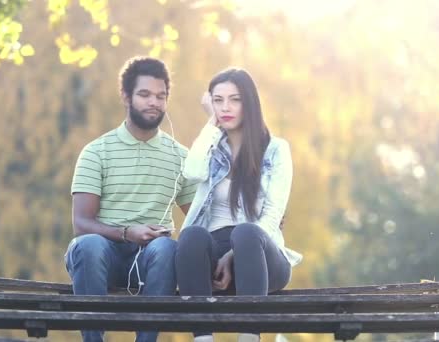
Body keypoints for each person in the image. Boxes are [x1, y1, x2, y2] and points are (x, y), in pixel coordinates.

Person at [64, 56, 198, 342]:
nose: (154, 102)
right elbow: (81, 223)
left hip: (153, 260)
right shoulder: (96, 152)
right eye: (145, 94)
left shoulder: (181, 157)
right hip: (102, 258)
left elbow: (201, 217)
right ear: (126, 96)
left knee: (166, 248)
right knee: (88, 245)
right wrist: (126, 233)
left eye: (161, 96)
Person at [176, 68, 303, 342]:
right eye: (218, 101)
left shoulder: (276, 149)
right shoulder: (211, 148)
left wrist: (233, 255)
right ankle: (202, 339)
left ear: (249, 103)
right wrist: (211, 123)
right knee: (190, 236)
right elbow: (192, 171)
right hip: (212, 258)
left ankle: (248, 338)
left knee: (246, 232)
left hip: (261, 257)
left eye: (234, 99)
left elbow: (272, 216)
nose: (226, 108)